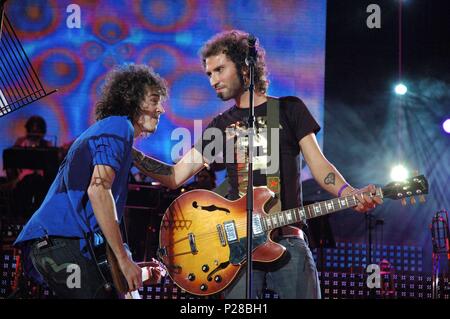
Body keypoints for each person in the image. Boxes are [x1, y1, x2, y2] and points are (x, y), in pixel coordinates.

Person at [132, 30, 382, 299]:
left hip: (288, 237)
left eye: (219, 70)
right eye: (208, 74)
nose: (213, 80)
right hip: (238, 250)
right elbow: (174, 175)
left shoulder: (289, 110)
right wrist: (127, 150)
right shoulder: (220, 125)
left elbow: (320, 168)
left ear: (244, 66)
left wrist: (349, 193)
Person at [13, 64, 165, 299]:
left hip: (58, 247)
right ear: (133, 100)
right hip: (58, 243)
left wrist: (135, 268)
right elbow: (98, 190)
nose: (161, 109)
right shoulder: (119, 126)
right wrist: (124, 262)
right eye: (154, 100)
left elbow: (173, 177)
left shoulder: (114, 137)